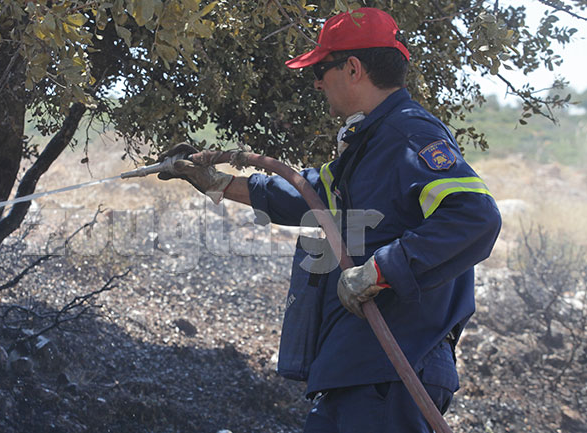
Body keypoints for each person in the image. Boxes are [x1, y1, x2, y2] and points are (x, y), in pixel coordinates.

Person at [158, 7, 502, 433]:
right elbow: (307, 196)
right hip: (359, 365)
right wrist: (218, 183)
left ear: (353, 68)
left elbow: (475, 217)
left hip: (394, 366)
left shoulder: (409, 136)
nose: (318, 82)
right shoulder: (371, 144)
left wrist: (380, 270)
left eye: (321, 69)